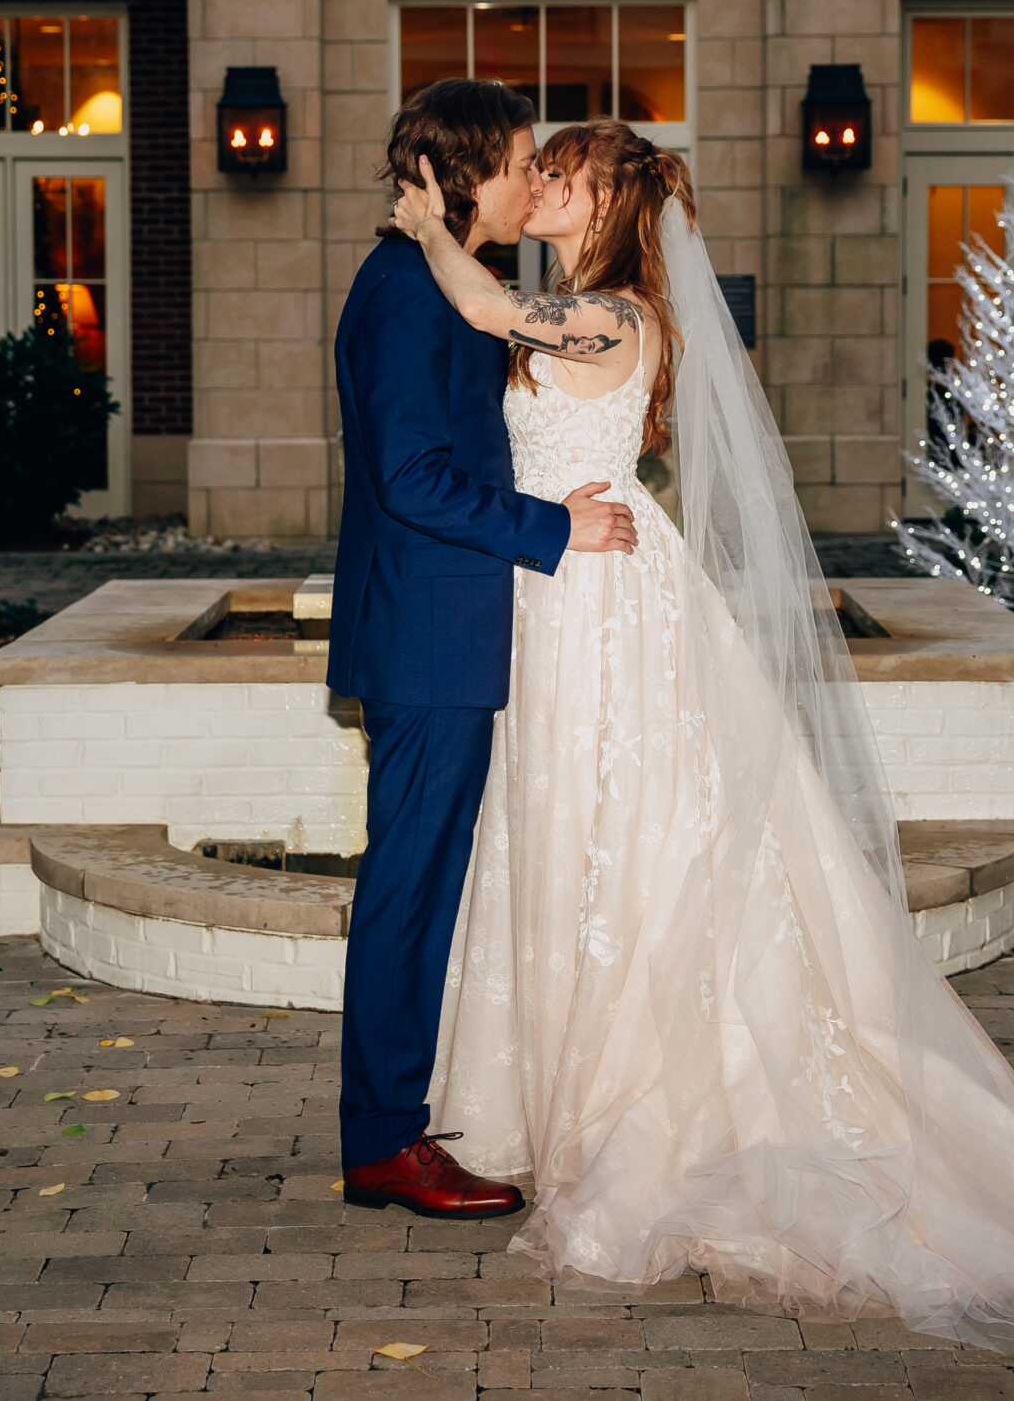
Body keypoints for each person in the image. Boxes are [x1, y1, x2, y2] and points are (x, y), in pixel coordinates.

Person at [386, 119, 1014, 1349]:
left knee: (641, 825)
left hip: (609, 603)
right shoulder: (579, 301)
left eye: (565, 171)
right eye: (541, 167)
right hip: (555, 588)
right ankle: (561, 1095)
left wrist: (428, 227)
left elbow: (491, 313)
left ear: (611, 202)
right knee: (564, 824)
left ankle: (655, 1106)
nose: (545, 182)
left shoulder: (614, 316)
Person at [328, 80, 640, 1221]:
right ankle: (384, 1144)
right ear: (469, 174)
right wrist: (553, 528)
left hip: (451, 632)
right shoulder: (404, 294)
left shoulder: (445, 284)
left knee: (427, 886)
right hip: (426, 636)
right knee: (407, 891)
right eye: (519, 161)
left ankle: (397, 1127)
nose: (531, 182)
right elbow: (411, 481)